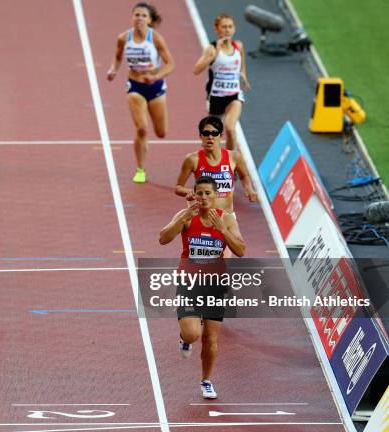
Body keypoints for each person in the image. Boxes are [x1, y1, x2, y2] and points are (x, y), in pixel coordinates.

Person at [159, 176, 245, 399]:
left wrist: (223, 231)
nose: (204, 197)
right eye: (200, 193)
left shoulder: (226, 220)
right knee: (193, 334)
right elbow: (163, 238)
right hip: (189, 283)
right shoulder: (187, 216)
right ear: (195, 195)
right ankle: (184, 338)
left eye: (209, 193)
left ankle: (206, 380)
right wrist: (183, 218)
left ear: (216, 196)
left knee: (211, 338)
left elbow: (241, 250)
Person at [107, 2, 175, 183]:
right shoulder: (124, 37)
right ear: (132, 17)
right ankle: (140, 168)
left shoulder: (156, 39)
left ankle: (145, 145)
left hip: (155, 87)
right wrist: (113, 69)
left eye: (144, 16)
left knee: (161, 133)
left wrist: (156, 76)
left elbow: (171, 64)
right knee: (142, 128)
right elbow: (117, 56)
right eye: (136, 15)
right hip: (135, 86)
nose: (139, 18)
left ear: (150, 20)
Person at [175, 116, 257, 217]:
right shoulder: (192, 160)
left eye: (214, 133)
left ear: (221, 135)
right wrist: (192, 192)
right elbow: (178, 187)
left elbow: (244, 176)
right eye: (206, 133)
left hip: (227, 219)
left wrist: (249, 188)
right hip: (202, 218)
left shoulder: (234, 157)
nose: (210, 137)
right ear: (200, 136)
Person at [193, 13, 250, 150]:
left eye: (230, 27)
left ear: (234, 29)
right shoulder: (211, 48)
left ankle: (231, 164)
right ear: (216, 29)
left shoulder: (238, 46)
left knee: (230, 128)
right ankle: (213, 160)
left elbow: (241, 60)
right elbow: (196, 70)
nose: (227, 30)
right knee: (213, 134)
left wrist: (242, 73)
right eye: (223, 27)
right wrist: (214, 54)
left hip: (234, 95)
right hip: (216, 97)